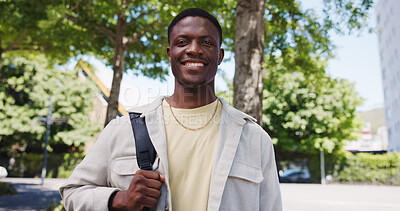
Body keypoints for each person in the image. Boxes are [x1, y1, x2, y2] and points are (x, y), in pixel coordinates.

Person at [60, 8, 282, 211]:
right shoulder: (124, 129)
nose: (194, 49)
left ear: (220, 56)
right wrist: (120, 199)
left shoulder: (255, 139)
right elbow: (72, 193)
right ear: (169, 53)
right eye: (183, 41)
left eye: (207, 43)